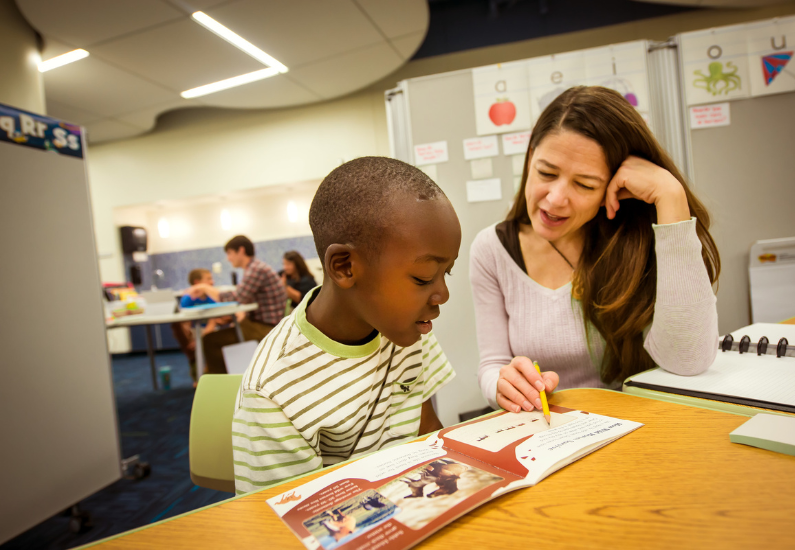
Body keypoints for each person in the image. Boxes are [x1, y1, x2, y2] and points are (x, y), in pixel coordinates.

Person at [470, 86, 720, 414]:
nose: (556, 198)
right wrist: (501, 384)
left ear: (616, 185)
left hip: (641, 428)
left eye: (585, 184)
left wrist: (670, 196)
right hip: (547, 433)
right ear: (530, 156)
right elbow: (493, 364)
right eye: (546, 172)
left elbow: (689, 360)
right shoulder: (492, 249)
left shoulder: (639, 241)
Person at [232, 157, 460, 494]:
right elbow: (288, 518)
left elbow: (427, 434)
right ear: (345, 267)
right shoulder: (274, 389)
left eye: (447, 273)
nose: (442, 293)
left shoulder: (409, 330)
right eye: (423, 277)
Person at [187, 235, 287, 374]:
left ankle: (221, 383)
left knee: (210, 340)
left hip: (264, 328)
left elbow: (237, 298)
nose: (228, 258)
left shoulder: (255, 269)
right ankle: (221, 378)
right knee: (220, 332)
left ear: (240, 250)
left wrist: (205, 288)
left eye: (229, 253)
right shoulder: (255, 268)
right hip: (262, 324)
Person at [171, 268, 229, 383]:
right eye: (208, 279)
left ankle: (210, 374)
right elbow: (185, 323)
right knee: (194, 353)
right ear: (197, 283)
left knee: (209, 347)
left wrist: (200, 339)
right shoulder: (187, 299)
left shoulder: (213, 297)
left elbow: (214, 321)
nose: (212, 282)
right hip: (195, 331)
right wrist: (191, 340)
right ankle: (197, 376)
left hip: (210, 330)